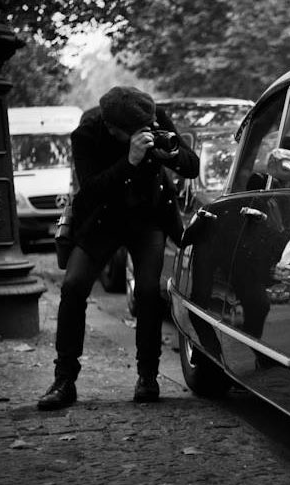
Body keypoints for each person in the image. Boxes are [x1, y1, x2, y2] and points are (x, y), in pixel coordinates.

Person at [38, 86, 199, 410]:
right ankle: (64, 379)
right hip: (102, 220)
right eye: (140, 131)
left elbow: (191, 165)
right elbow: (91, 192)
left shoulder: (151, 118)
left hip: (148, 218)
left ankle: (148, 377)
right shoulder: (86, 134)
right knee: (73, 286)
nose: (150, 130)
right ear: (115, 129)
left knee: (149, 293)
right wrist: (130, 161)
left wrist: (171, 155)